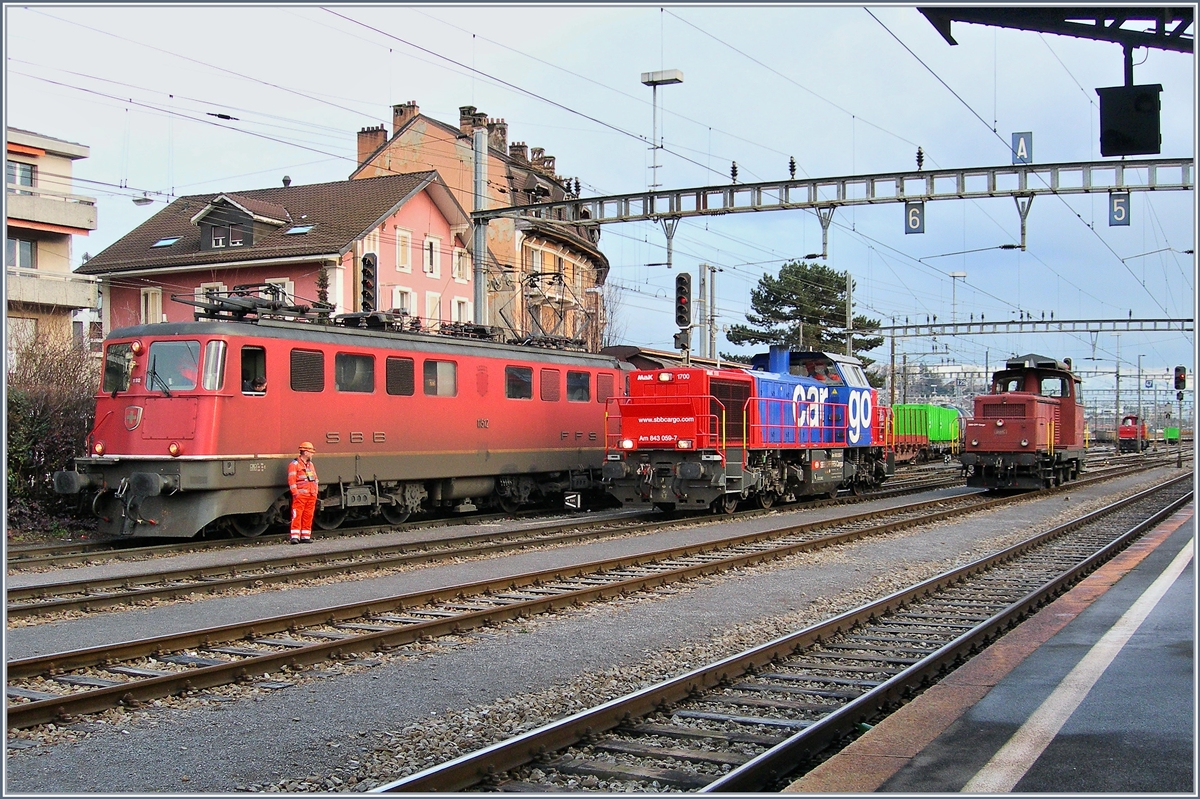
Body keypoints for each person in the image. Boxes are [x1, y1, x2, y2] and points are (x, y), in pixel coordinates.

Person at [287, 441, 318, 544]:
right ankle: (295, 537)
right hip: (300, 495)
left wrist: (315, 491)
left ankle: (305, 536)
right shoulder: (294, 464)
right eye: (310, 451)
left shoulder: (310, 465)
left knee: (308, 515)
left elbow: (315, 478)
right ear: (305, 452)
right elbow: (291, 480)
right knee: (297, 515)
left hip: (311, 494)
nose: (312, 454)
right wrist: (296, 493)